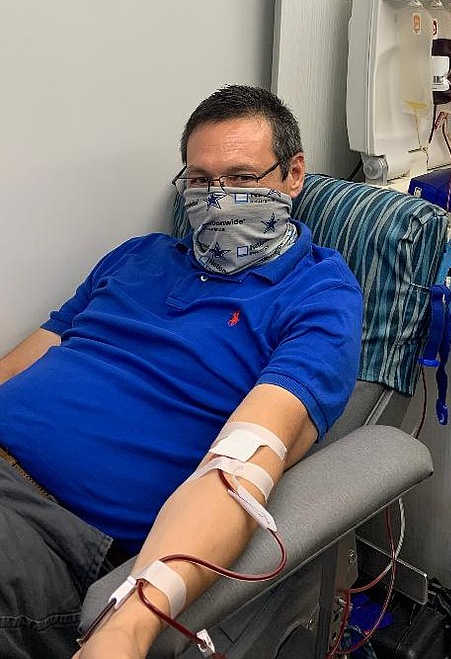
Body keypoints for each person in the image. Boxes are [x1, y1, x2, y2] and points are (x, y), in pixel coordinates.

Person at [0, 85, 364, 659]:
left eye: (241, 179)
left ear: (293, 175)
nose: (217, 199)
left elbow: (241, 468)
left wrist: (132, 622)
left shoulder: (318, 298)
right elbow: (28, 359)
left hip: (46, 525)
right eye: (201, 181)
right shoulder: (136, 256)